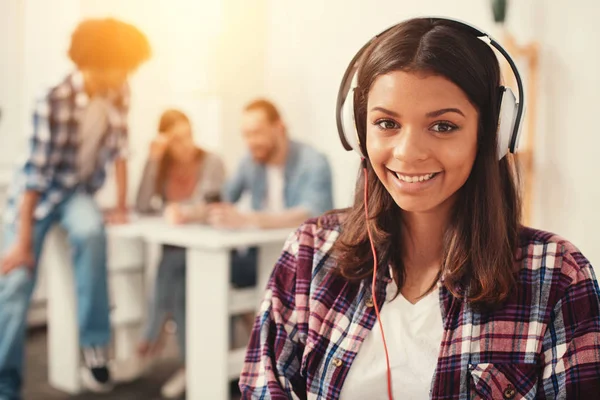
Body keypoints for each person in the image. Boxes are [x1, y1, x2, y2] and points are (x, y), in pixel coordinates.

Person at [239, 18, 600, 399]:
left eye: (443, 126)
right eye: (386, 123)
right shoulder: (310, 252)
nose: (408, 153)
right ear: (358, 133)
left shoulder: (557, 276)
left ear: (492, 133)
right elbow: (263, 387)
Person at [0, 18, 150, 397]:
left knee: (91, 231)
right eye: (122, 65)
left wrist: (119, 204)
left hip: (77, 192)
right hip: (37, 195)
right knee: (15, 281)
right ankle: (5, 381)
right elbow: (34, 177)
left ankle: (95, 348)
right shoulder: (52, 97)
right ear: (95, 61)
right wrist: (21, 245)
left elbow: (119, 150)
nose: (126, 73)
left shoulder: (119, 91)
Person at [135, 109, 225, 399]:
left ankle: (152, 332)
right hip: (178, 250)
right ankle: (189, 365)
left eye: (188, 135)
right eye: (176, 139)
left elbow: (212, 204)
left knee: (173, 268)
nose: (185, 144)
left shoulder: (211, 161)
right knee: (179, 279)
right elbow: (142, 205)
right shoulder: (161, 166)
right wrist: (153, 159)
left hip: (210, 250)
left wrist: (185, 212)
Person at [208, 99, 334, 287]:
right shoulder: (251, 161)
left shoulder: (313, 161)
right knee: (204, 269)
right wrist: (191, 213)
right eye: (246, 135)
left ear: (279, 128)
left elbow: (310, 215)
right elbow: (225, 198)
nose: (250, 142)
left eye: (257, 132)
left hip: (304, 259)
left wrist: (247, 219)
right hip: (260, 255)